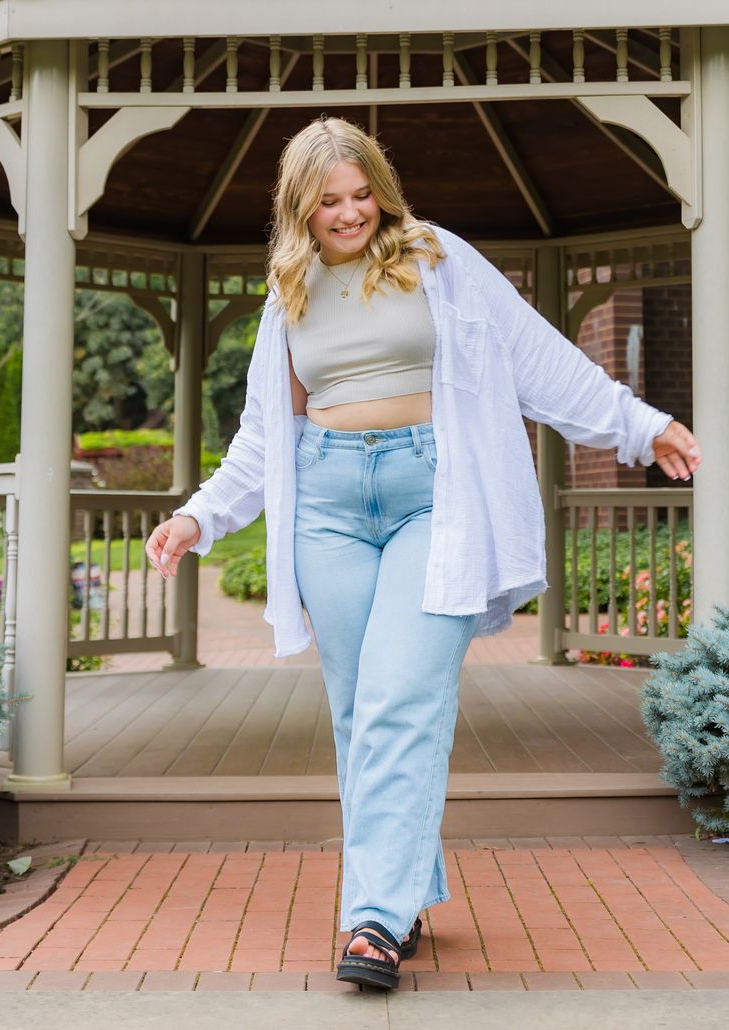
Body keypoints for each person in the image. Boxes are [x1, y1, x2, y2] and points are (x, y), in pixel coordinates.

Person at [145, 116, 702, 990]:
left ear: (383, 188)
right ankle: (404, 891)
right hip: (326, 505)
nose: (350, 213)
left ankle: (370, 920)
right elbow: (264, 436)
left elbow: (536, 357)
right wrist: (199, 516)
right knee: (361, 714)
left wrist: (641, 425)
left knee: (402, 696)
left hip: (433, 497)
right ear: (300, 207)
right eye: (329, 201)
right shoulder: (288, 288)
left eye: (363, 193)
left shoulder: (438, 259)